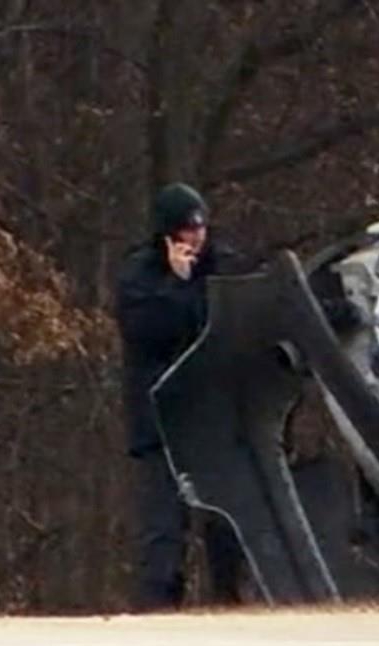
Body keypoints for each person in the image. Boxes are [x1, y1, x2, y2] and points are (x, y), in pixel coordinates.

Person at [115, 182, 245, 610]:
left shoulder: (221, 268)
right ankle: (159, 604)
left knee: (224, 517)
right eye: (187, 229)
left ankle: (229, 598)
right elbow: (148, 333)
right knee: (164, 523)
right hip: (160, 415)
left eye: (201, 228)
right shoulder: (139, 274)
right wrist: (176, 283)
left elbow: (223, 324)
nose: (196, 237)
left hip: (210, 411)